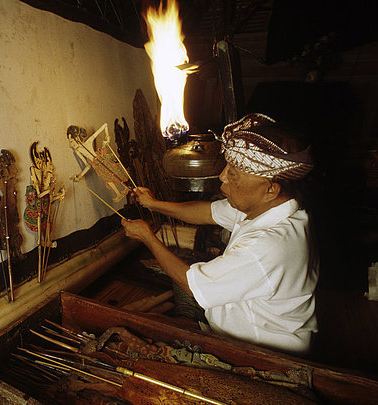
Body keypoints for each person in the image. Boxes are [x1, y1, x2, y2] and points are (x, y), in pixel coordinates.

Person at [122, 113, 318, 356]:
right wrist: (155, 204)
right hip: (246, 334)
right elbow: (208, 212)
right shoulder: (272, 207)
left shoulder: (269, 245)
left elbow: (193, 285)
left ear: (270, 189)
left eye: (234, 174)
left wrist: (147, 237)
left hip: (262, 351)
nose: (222, 177)